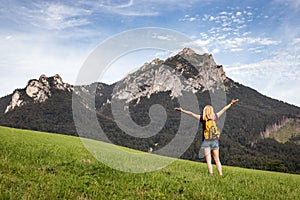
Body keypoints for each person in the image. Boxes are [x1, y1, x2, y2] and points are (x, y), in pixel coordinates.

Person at [175, 99, 239, 176]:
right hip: (215, 140)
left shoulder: (203, 118)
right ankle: (220, 174)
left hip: (206, 141)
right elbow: (224, 109)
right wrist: (231, 103)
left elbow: (191, 114)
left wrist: (182, 110)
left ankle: (211, 174)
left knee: (209, 160)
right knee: (217, 159)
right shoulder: (215, 117)